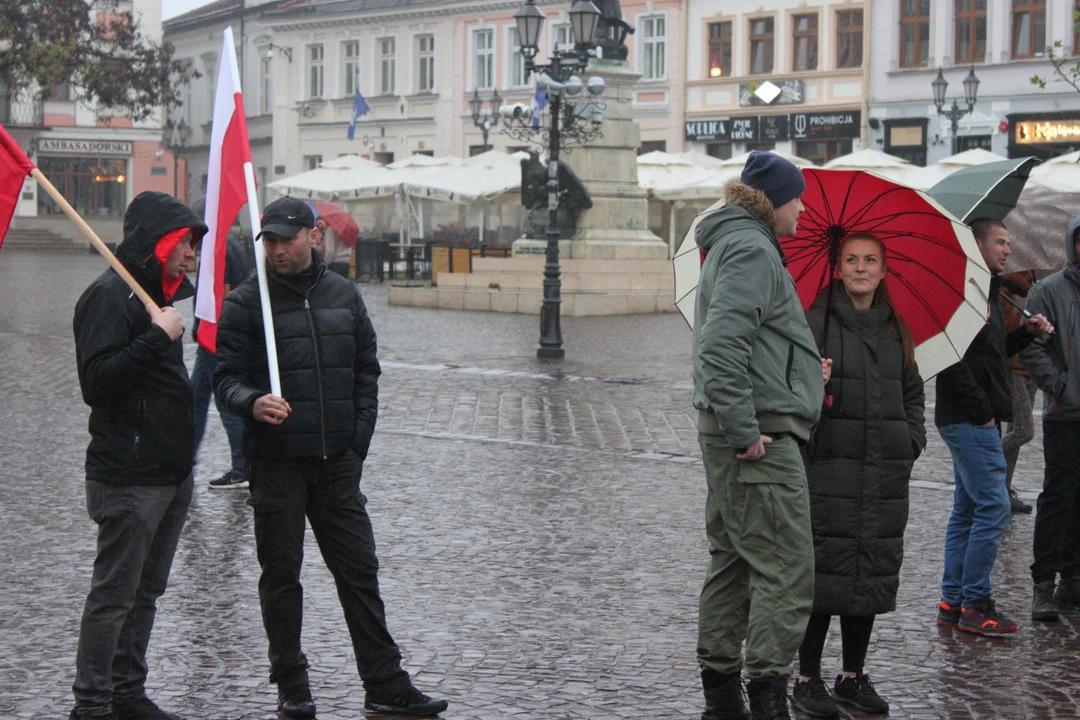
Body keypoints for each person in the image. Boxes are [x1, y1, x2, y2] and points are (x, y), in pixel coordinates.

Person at [213, 196, 447, 718]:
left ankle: (384, 681)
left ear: (313, 237)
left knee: (359, 572)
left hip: (337, 462)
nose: (275, 249)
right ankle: (291, 683)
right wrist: (252, 402)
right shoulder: (247, 302)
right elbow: (224, 378)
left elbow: (367, 371)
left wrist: (356, 442)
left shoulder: (344, 294)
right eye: (268, 241)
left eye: (285, 239)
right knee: (281, 576)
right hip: (275, 462)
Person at [692, 151, 826, 720]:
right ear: (774, 200)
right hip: (759, 438)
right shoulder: (750, 247)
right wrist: (745, 430)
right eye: (797, 197)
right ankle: (767, 699)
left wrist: (800, 369)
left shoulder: (742, 242)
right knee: (785, 567)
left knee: (735, 561)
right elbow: (721, 346)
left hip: (747, 427)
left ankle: (723, 702)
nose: (803, 208)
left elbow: (750, 340)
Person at [70, 191, 207, 720]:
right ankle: (92, 705)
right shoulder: (108, 296)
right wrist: (155, 337)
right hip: (128, 477)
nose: (192, 256)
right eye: (185, 245)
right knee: (114, 597)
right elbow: (98, 381)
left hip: (169, 474)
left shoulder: (156, 298)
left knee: (146, 592)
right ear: (158, 245)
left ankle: (126, 693)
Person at [791, 234, 925, 719]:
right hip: (829, 468)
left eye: (870, 260)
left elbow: (913, 394)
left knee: (868, 572)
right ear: (838, 268)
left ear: (884, 270)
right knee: (823, 573)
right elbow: (789, 397)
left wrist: (911, 442)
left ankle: (852, 675)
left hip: (885, 473)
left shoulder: (897, 330)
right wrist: (814, 382)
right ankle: (806, 678)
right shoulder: (813, 324)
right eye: (852, 260)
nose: (861, 268)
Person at [934, 218, 1054, 636]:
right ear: (978, 244)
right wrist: (982, 409)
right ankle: (975, 603)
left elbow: (989, 355)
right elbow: (952, 359)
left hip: (972, 416)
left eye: (1008, 243)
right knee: (993, 508)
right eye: (1000, 242)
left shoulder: (986, 291)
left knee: (967, 511)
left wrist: (1025, 334)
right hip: (969, 419)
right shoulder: (963, 293)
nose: (1007, 250)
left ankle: (952, 601)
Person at [1021, 214, 1080, 622]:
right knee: (1058, 497)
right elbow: (1032, 346)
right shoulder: (1048, 290)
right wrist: (1061, 386)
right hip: (1065, 413)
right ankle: (1043, 582)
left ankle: (1072, 580)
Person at [190, 223, 251, 489]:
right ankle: (186, 458)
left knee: (222, 401)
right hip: (214, 331)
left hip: (215, 333)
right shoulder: (228, 243)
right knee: (197, 396)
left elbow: (221, 290)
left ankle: (241, 467)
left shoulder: (219, 247)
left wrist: (202, 326)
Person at [1000, 271, 1039, 514]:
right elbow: (1002, 337)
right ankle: (984, 468)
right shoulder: (1005, 293)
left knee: (1015, 431)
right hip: (1013, 369)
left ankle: (1003, 489)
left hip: (1030, 369)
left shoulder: (1038, 285)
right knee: (1024, 430)